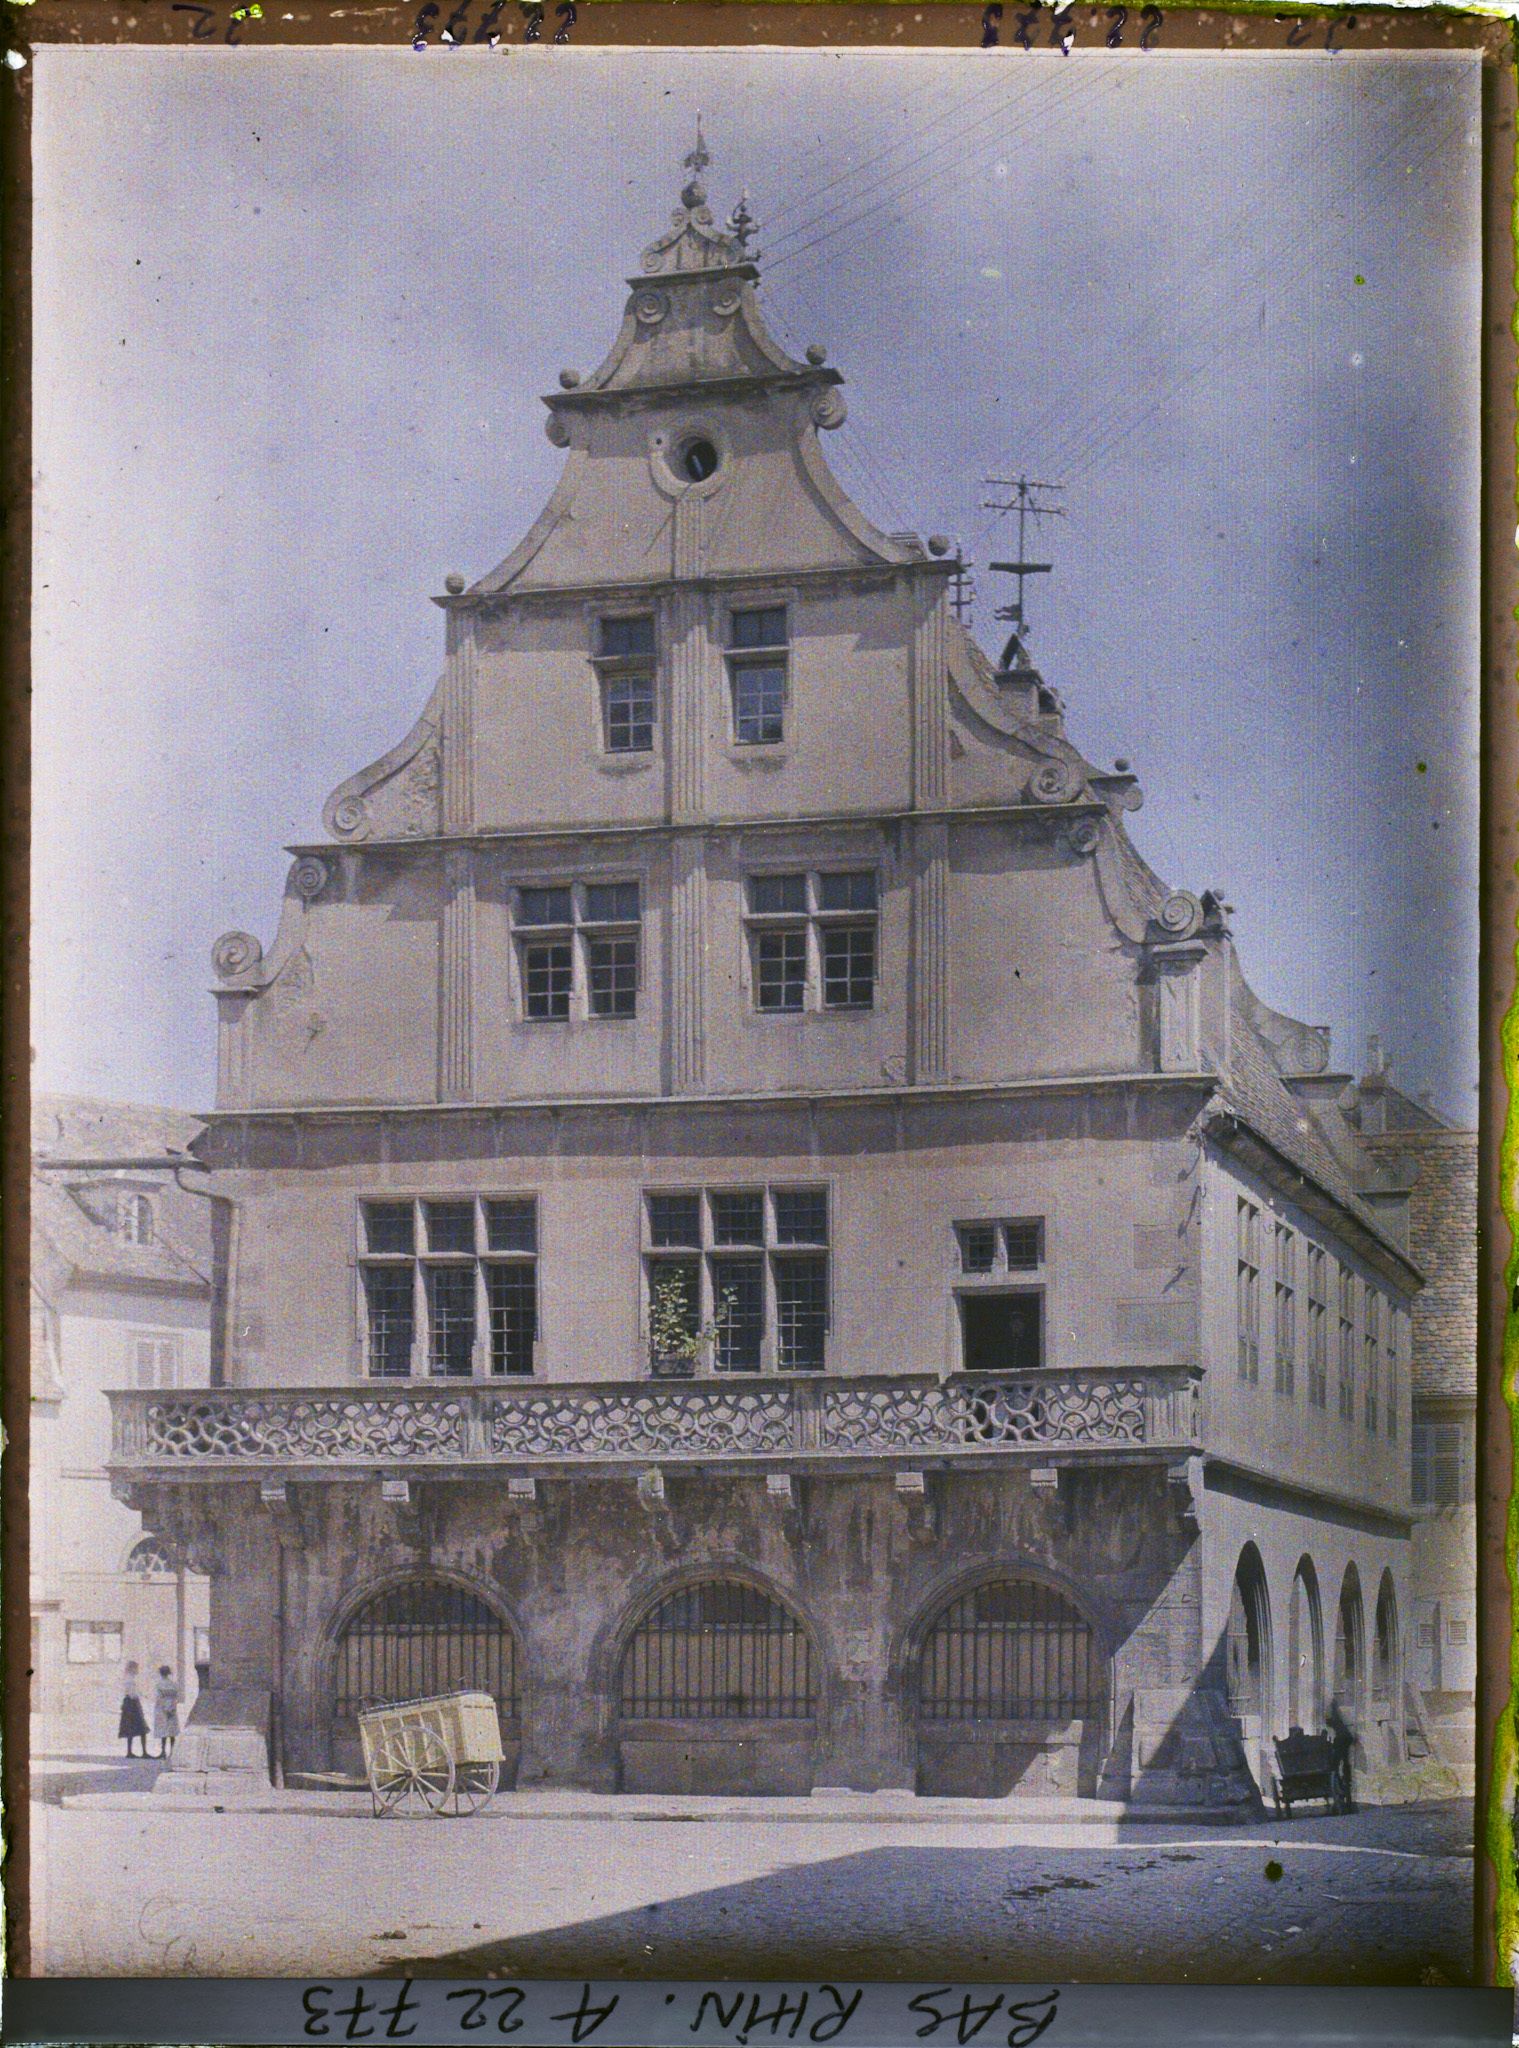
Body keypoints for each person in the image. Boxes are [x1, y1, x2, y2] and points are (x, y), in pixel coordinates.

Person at [1325, 1696, 1356, 1814]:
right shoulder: (1340, 1716)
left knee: (1335, 1765)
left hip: (1342, 1740)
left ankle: (1339, 1781)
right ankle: (1344, 1781)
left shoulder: (1335, 1719)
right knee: (1344, 1764)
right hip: (1345, 1739)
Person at [117, 1661, 149, 1759]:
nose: (137, 1670)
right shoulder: (130, 1680)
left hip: (128, 1704)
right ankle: (143, 1752)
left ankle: (130, 1751)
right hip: (132, 1704)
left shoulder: (128, 1679)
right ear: (132, 1669)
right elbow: (132, 1694)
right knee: (142, 1728)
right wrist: (140, 1696)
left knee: (130, 1728)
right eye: (136, 1668)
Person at [152, 1664, 182, 1760]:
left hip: (162, 1709)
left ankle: (163, 1752)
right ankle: (172, 1752)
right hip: (172, 1708)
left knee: (163, 1732)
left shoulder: (159, 1684)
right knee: (171, 1732)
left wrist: (163, 1707)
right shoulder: (174, 1684)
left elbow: (159, 1698)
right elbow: (177, 1697)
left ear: (161, 1673)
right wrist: (172, 1706)